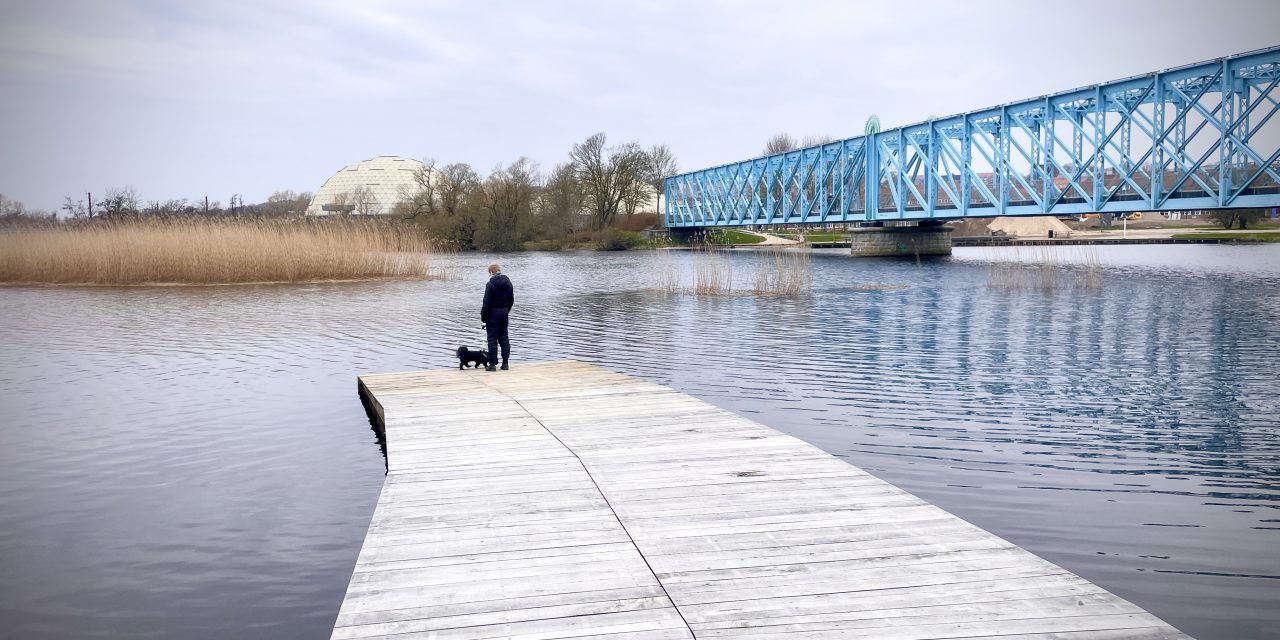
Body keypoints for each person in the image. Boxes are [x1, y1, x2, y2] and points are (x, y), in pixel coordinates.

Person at [480, 263, 514, 371]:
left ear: (491, 273)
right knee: (504, 338)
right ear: (499, 270)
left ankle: (492, 364)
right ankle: (505, 363)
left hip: (492, 314)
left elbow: (486, 303)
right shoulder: (508, 282)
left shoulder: (490, 284)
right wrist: (506, 310)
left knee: (492, 339)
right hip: (504, 312)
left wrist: (483, 317)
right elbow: (511, 300)